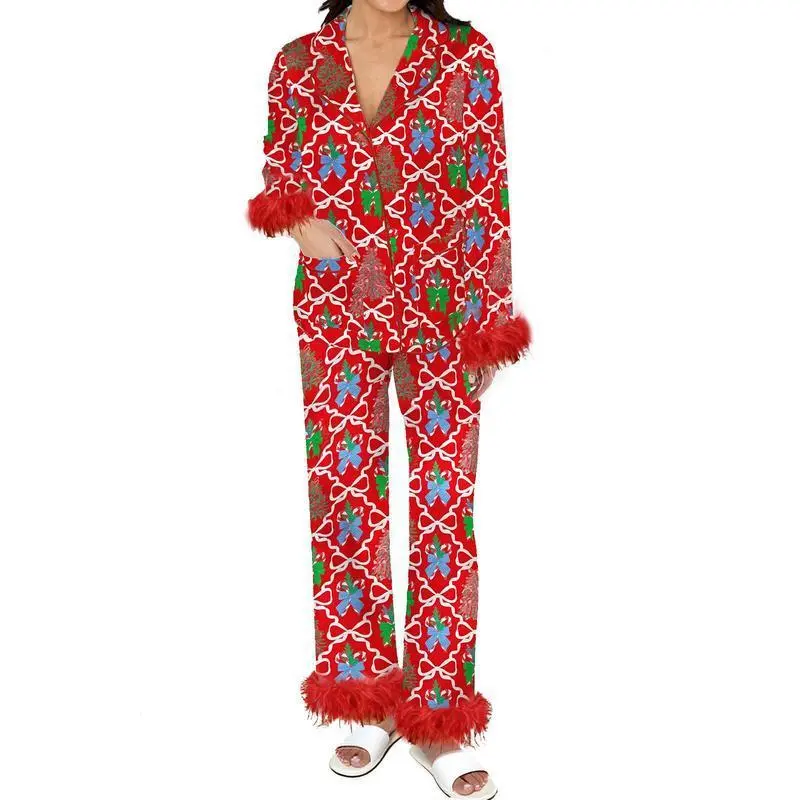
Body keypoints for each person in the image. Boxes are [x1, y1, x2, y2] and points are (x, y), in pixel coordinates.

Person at [247, 1, 530, 796]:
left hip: (444, 313)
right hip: (337, 308)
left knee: (443, 507)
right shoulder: (298, 62)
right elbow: (280, 166)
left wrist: (488, 318)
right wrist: (299, 222)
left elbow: (488, 186)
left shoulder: (467, 56)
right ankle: (366, 694)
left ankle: (438, 717)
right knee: (344, 496)